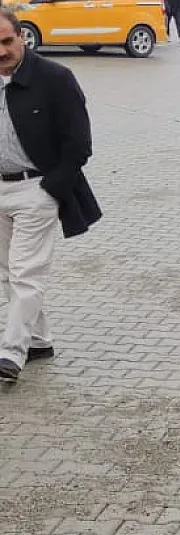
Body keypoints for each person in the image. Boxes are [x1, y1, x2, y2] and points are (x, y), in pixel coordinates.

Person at [0, 9, 100, 383]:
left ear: (21, 36)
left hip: (36, 189)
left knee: (27, 271)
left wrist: (50, 188)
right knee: (9, 272)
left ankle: (11, 353)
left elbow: (79, 143)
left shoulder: (55, 78)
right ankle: (40, 340)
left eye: (7, 41)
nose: (1, 51)